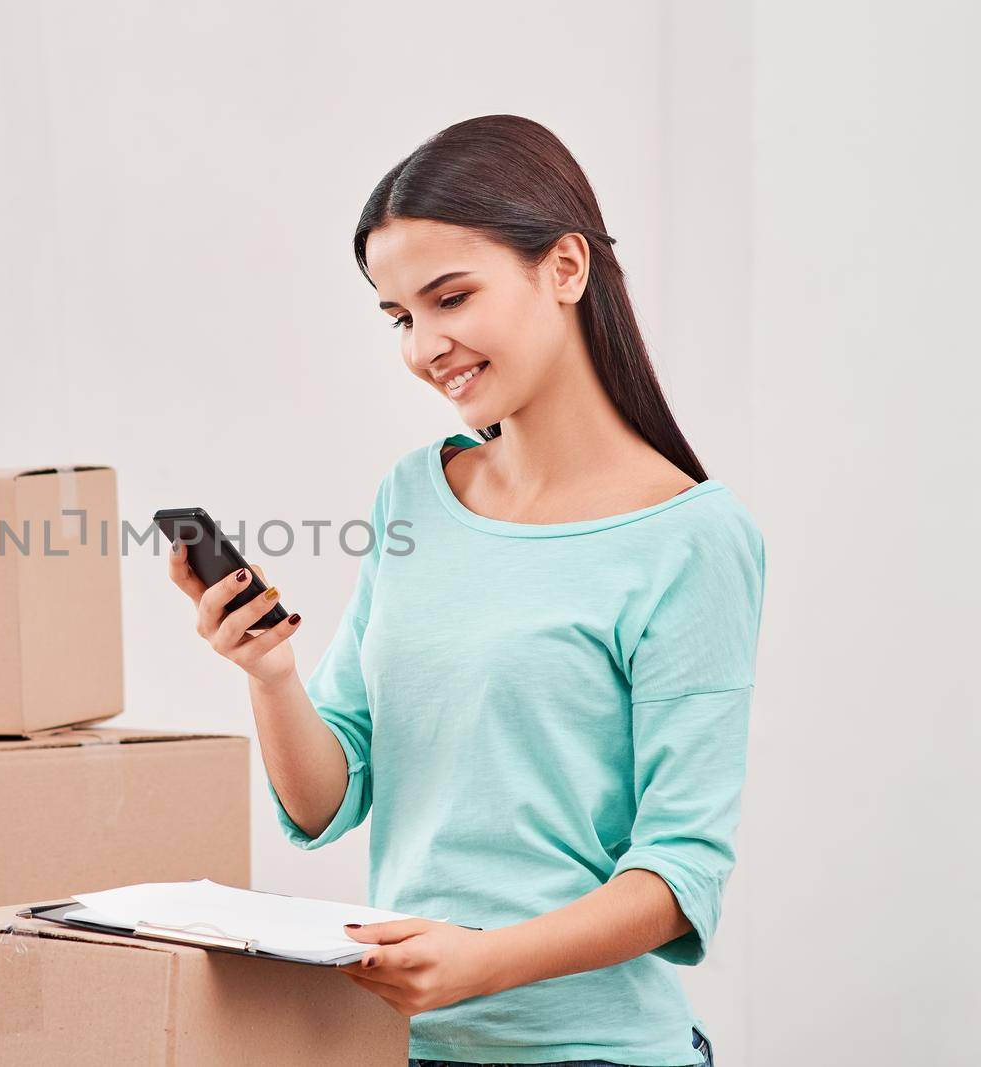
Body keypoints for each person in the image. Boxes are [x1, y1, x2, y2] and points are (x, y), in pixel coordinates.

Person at [165, 115, 763, 1066]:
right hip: (405, 1044)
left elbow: (679, 873)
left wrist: (478, 964)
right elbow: (327, 801)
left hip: (595, 1051)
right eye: (401, 317)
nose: (424, 347)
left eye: (451, 298)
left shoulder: (692, 538)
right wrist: (271, 673)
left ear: (565, 268)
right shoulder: (416, 493)